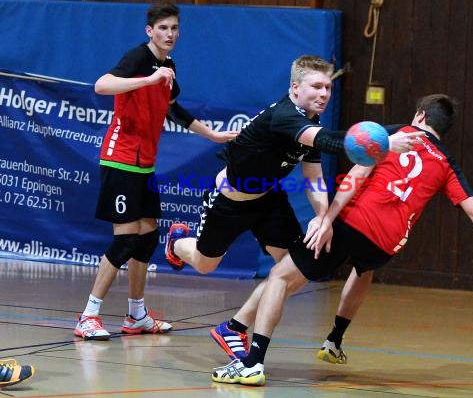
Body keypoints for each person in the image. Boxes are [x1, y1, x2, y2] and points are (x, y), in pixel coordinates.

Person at [210, 93, 473, 386]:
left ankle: (252, 363)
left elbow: (356, 176)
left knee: (280, 277)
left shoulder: (391, 134)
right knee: (363, 269)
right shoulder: (447, 164)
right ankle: (334, 340)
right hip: (387, 244)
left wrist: (326, 219)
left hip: (354, 224)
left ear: (421, 117)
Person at [165, 55, 421, 357]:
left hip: (269, 200)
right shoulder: (285, 116)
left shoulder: (311, 121)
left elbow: (313, 176)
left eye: (328, 87)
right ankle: (177, 243)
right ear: (295, 88)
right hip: (230, 201)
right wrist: (384, 144)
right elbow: (328, 142)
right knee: (205, 264)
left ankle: (233, 328)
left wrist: (323, 217)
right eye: (316, 86)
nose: (324, 93)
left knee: (290, 269)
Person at [74, 2, 238, 341]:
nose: (170, 34)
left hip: (144, 163)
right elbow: (101, 86)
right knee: (125, 241)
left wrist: (212, 134)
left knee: (147, 238)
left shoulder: (169, 66)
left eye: (175, 28)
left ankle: (136, 315)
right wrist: (148, 78)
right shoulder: (138, 59)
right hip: (120, 159)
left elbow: (173, 108)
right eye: (163, 28)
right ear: (150, 31)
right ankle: (88, 315)